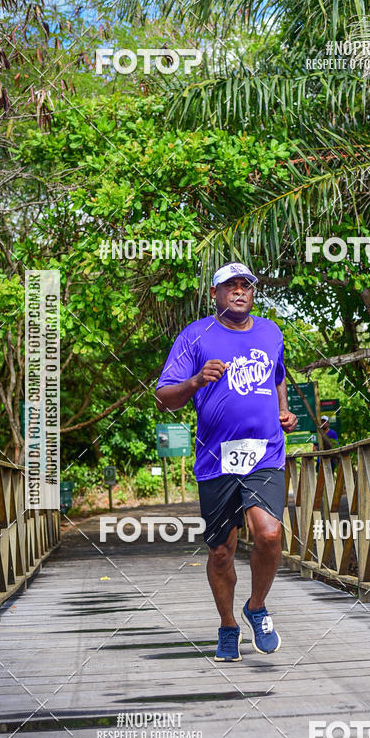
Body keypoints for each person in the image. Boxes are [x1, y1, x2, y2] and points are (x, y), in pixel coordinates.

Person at [155, 262, 298, 662]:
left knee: (269, 534)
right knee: (221, 550)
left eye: (246, 286)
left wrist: (283, 412)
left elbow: (278, 375)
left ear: (253, 293)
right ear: (215, 294)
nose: (239, 291)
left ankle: (256, 606)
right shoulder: (195, 336)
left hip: (266, 453)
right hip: (217, 459)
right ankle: (228, 626)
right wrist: (197, 381)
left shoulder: (271, 332)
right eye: (230, 286)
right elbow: (164, 396)